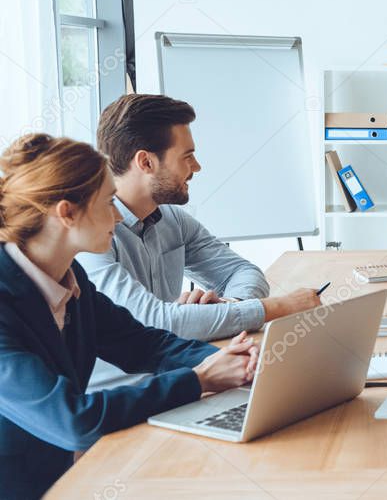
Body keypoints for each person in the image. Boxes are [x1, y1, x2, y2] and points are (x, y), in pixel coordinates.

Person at [0, 134, 258, 498]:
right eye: (108, 202)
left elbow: (143, 343)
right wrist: (198, 380)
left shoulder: (71, 277)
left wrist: (232, 361)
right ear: (66, 212)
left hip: (65, 476)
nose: (119, 215)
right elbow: (74, 420)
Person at [77, 94, 319, 389]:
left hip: (178, 376)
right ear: (146, 161)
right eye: (187, 156)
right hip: (122, 398)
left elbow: (242, 272)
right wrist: (278, 307)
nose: (197, 167)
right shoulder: (90, 237)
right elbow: (154, 322)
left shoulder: (172, 219)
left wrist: (229, 307)